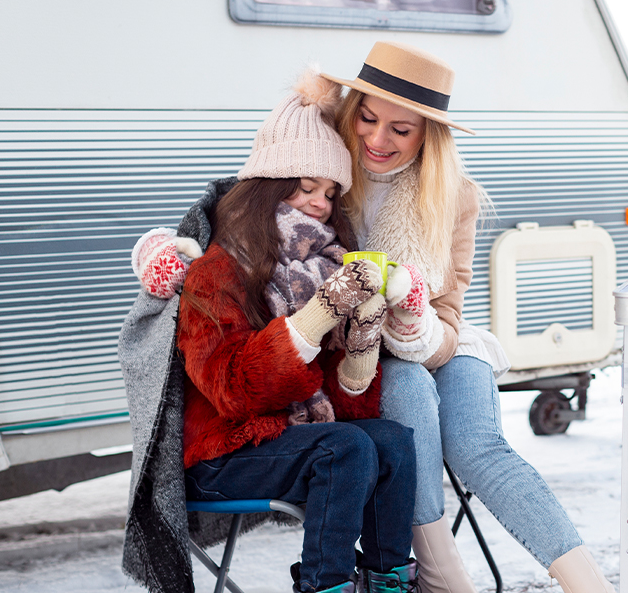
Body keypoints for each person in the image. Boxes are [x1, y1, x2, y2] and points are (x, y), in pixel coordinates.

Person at [321, 41, 617, 593]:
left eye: (400, 130)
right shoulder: (321, 175)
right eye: (367, 118)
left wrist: (412, 322)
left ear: (427, 135)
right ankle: (445, 581)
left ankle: (590, 585)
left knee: (476, 445)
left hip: (440, 342)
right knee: (406, 387)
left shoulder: (453, 197)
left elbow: (449, 318)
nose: (377, 139)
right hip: (355, 355)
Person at [120, 69, 417, 593]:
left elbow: (345, 407)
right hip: (222, 453)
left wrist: (364, 339)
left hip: (290, 438)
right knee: (343, 449)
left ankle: (387, 581)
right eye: (307, 187)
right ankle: (326, 586)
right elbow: (231, 390)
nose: (321, 204)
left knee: (390, 440)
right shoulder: (217, 269)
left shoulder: (323, 266)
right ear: (269, 187)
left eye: (330, 192)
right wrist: (322, 312)